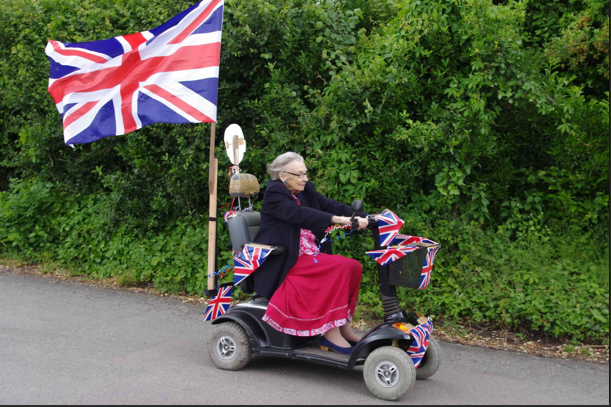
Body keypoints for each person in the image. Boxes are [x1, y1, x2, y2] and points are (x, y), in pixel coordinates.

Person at [252, 152, 370, 355]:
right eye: (299, 174)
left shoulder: (306, 189)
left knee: (353, 266)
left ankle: (344, 327)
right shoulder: (274, 194)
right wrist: (339, 220)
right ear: (283, 176)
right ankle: (331, 334)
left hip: (307, 252)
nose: (305, 178)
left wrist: (367, 216)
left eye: (305, 173)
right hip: (285, 258)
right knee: (338, 268)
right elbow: (300, 214)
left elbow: (329, 205)